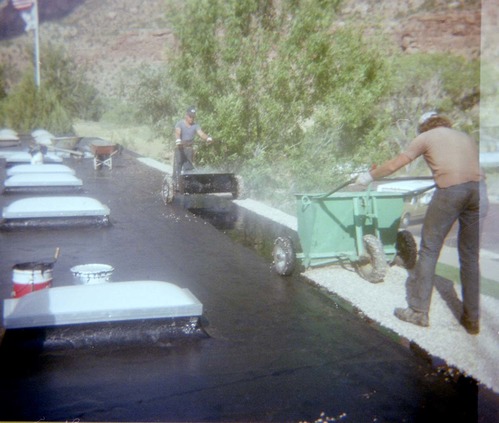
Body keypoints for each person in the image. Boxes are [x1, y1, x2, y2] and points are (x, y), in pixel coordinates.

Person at [355, 111, 488, 334]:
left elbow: (395, 164)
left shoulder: (426, 137)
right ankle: (472, 320)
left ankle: (418, 312)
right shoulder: (464, 136)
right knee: (470, 256)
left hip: (451, 192)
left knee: (429, 250)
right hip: (479, 193)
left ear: (424, 126)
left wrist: (369, 177)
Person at [173, 106, 213, 183]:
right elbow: (177, 132)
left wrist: (207, 138)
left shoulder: (195, 126)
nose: (191, 118)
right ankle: (175, 184)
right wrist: (178, 140)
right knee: (177, 167)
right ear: (186, 115)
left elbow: (201, 134)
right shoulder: (180, 124)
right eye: (190, 116)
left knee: (188, 169)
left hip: (189, 150)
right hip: (180, 149)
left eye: (193, 117)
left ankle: (186, 185)